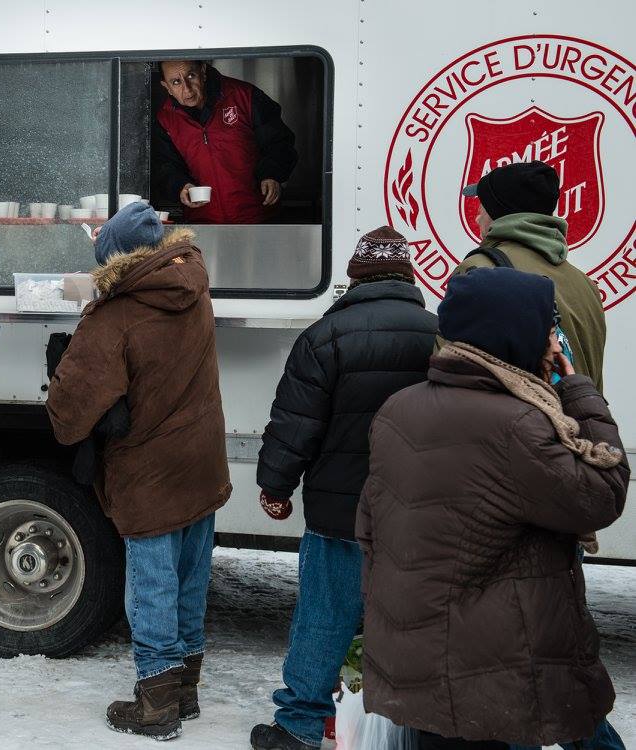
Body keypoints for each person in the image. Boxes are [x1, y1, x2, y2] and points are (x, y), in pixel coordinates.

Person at [357, 267, 629, 749]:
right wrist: (582, 392)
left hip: (419, 657)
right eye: (547, 329)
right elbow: (601, 496)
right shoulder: (518, 424)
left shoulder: (398, 407)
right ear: (512, 333)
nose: (553, 344)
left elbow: (370, 525)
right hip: (493, 667)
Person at [46, 201, 232, 741]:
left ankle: (156, 703)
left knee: (150, 588)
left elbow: (67, 416)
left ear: (115, 262)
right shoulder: (193, 287)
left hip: (149, 475)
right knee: (189, 581)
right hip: (201, 462)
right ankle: (186, 690)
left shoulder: (117, 317)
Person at [250, 227, 439, 750]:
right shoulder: (438, 335)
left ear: (354, 278)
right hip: (416, 514)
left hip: (340, 512)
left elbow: (295, 424)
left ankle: (301, 723)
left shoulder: (325, 336)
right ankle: (405, 727)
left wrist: (276, 486)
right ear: (408, 276)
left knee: (324, 617)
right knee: (408, 620)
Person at [456, 160, 605, 391]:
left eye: (481, 208)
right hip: (581, 423)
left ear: (499, 212)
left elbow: (451, 373)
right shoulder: (586, 285)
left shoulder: (480, 271)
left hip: (514, 426)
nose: (477, 218)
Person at [153, 59, 298, 224]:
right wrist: (180, 186)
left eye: (191, 75)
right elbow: (164, 166)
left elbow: (280, 142)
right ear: (167, 87)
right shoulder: (165, 119)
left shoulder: (245, 96)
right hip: (203, 223)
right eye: (176, 82)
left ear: (203, 71)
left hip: (258, 218)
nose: (187, 89)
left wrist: (272, 174)